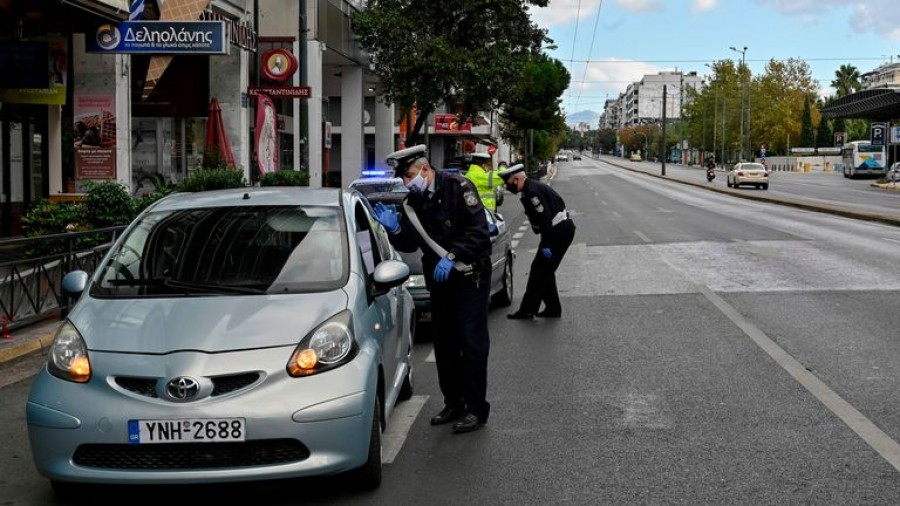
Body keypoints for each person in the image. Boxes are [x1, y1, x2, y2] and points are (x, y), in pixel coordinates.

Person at [372, 144, 493, 434]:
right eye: (403, 178)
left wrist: (452, 257)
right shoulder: (412, 203)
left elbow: (479, 234)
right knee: (446, 345)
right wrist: (394, 229)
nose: (406, 182)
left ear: (425, 169)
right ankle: (454, 403)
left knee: (471, 344)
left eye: (410, 176)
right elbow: (410, 243)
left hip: (469, 277)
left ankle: (477, 409)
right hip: (440, 282)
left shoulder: (458, 188)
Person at [499, 164, 576, 320]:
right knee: (545, 270)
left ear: (517, 179)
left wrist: (546, 246)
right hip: (559, 230)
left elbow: (545, 219)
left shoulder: (532, 192)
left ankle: (528, 310)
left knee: (538, 271)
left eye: (508, 183)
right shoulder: (529, 189)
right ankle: (553, 308)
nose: (507, 187)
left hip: (559, 231)